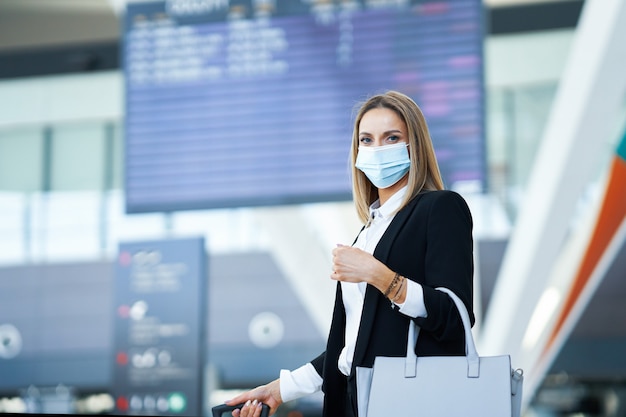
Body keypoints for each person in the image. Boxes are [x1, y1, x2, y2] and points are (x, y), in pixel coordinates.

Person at [225, 90, 474, 417]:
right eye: (366, 140)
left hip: (410, 400)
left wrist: (379, 276)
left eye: (392, 137)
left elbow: (455, 319)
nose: (377, 149)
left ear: (415, 145)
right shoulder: (368, 232)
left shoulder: (439, 208)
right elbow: (352, 347)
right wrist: (279, 390)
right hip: (358, 400)